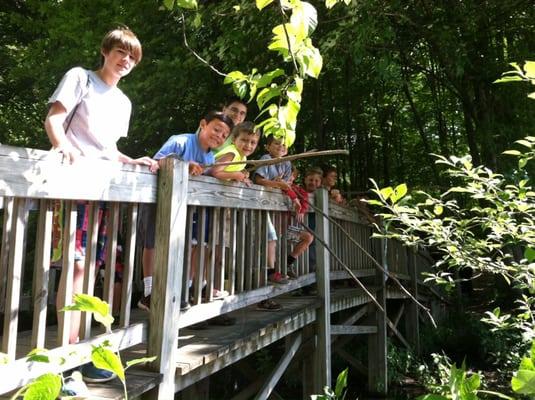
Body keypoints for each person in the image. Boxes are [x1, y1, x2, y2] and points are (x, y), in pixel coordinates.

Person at [44, 26, 156, 385]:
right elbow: (55, 118)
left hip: (103, 187)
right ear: (105, 51)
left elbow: (108, 149)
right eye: (120, 52)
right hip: (74, 181)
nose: (125, 60)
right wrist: (62, 146)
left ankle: (78, 353)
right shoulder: (81, 78)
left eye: (132, 57)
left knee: (92, 268)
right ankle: (66, 357)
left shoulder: (123, 102)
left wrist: (131, 161)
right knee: (76, 266)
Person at [138, 111, 234, 312]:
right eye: (216, 129)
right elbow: (156, 163)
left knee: (180, 246)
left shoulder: (209, 156)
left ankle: (176, 290)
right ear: (203, 124)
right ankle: (148, 292)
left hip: (180, 208)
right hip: (157, 199)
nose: (219, 136)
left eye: (224, 135)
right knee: (152, 242)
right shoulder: (181, 142)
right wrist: (184, 165)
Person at [283, 166, 314, 279]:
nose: (290, 178)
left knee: (308, 237)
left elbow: (304, 196)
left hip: (285, 228)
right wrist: (295, 199)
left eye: (292, 177)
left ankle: (287, 263)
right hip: (273, 227)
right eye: (287, 176)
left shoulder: (295, 188)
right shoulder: (277, 183)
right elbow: (285, 188)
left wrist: (301, 210)